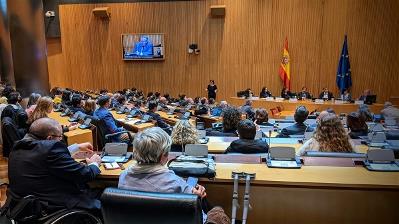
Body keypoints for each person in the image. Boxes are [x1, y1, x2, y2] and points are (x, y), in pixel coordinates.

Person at [7, 118, 102, 212]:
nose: (61, 139)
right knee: (105, 195)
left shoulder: (18, 147)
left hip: (25, 207)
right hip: (54, 206)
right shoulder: (51, 149)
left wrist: (76, 147)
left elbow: (42, 155)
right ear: (49, 138)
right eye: (60, 136)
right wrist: (94, 163)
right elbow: (85, 174)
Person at [118, 127, 206, 196]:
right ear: (163, 155)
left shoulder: (123, 176)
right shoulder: (174, 183)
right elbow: (192, 207)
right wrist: (198, 197)